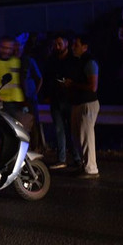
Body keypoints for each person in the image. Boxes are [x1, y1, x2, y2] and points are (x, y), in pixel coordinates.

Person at [64, 35, 100, 178]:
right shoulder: (79, 62)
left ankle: (91, 169)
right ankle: (84, 165)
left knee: (86, 136)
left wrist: (73, 84)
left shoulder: (90, 62)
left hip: (87, 103)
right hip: (78, 102)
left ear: (85, 47)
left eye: (76, 45)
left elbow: (93, 87)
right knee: (77, 136)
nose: (73, 47)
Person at [44, 33, 80, 169]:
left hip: (70, 99)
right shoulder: (52, 60)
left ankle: (77, 158)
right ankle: (62, 159)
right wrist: (47, 94)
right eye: (55, 44)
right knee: (59, 130)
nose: (57, 47)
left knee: (73, 131)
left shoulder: (73, 60)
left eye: (60, 44)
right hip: (56, 99)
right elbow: (47, 78)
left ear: (66, 44)